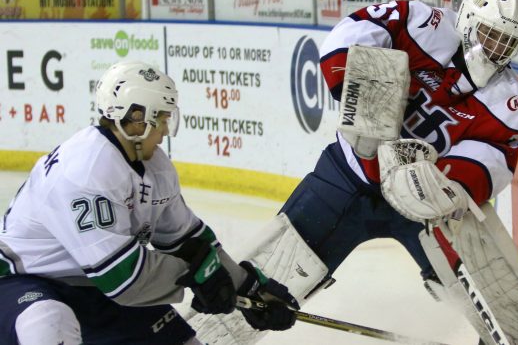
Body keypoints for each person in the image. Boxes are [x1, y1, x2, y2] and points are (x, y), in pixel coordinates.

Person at [199, 0, 518, 345]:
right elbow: (351, 33)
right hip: (346, 177)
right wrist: (354, 91)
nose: (495, 48)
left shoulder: (509, 104)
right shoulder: (424, 23)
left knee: (490, 295)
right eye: (489, 34)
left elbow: (491, 161)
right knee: (263, 288)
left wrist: (439, 188)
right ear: (467, 21)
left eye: (505, 42)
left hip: (422, 212)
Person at [0, 61, 299, 345]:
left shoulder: (156, 167)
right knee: (48, 322)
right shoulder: (86, 170)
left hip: (96, 290)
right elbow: (122, 277)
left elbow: (190, 242)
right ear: (135, 119)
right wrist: (199, 279)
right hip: (24, 284)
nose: (166, 130)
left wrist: (248, 287)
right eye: (162, 118)